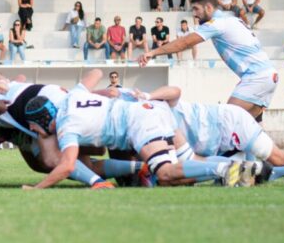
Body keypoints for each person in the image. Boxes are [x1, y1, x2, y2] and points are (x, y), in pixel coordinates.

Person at [21, 69, 240, 190]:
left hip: (139, 123)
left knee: (164, 174)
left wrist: (37, 188)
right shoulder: (72, 96)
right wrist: (102, 93)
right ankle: (247, 168)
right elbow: (95, 72)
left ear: (43, 120)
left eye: (34, 126)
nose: (33, 131)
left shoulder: (65, 126)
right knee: (176, 173)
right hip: (150, 111)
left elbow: (67, 166)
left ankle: (223, 170)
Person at [140, 0, 277, 119]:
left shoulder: (216, 24)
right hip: (269, 75)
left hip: (255, 77)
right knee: (252, 129)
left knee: (227, 121)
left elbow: (184, 43)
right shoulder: (232, 19)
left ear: (209, 8)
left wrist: (153, 52)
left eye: (196, 9)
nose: (194, 14)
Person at [169, 98, 284, 186]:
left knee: (276, 158)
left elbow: (174, 91)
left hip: (230, 123)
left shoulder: (155, 111)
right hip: (218, 138)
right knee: (242, 176)